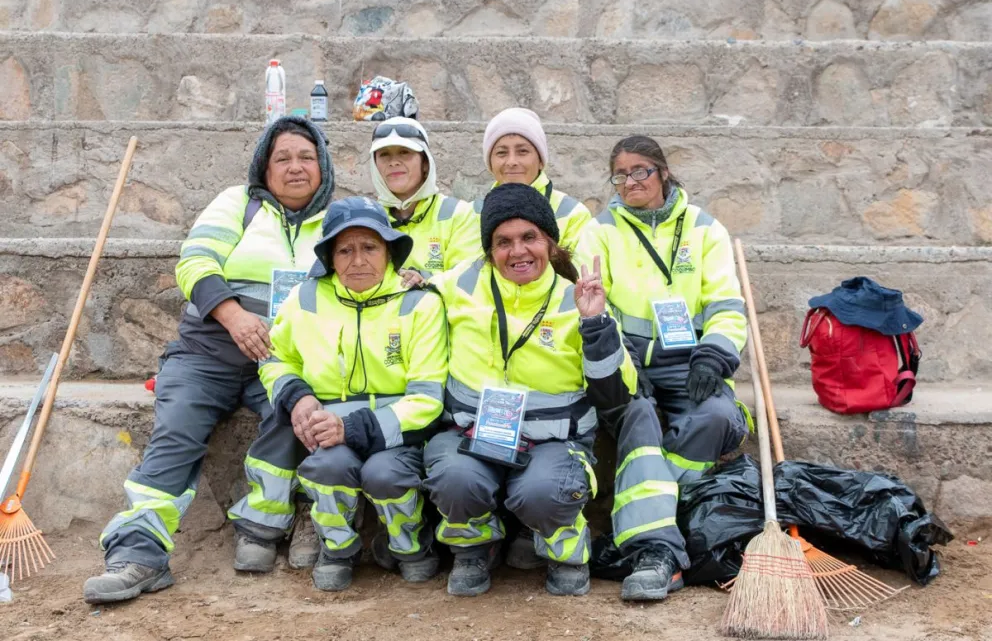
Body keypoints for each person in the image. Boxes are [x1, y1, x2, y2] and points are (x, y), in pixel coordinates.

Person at [83, 116, 334, 604]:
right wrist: (235, 316)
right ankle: (138, 553)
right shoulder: (236, 203)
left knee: (294, 414)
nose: (295, 167)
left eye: (306, 157)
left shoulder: (337, 217)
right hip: (210, 347)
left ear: (323, 165)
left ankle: (261, 529)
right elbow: (194, 263)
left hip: (286, 355)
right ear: (264, 167)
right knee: (178, 425)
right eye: (282, 158)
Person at [425, 183, 670, 598]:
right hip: (472, 434)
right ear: (488, 251)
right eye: (503, 242)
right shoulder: (458, 286)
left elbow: (618, 392)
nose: (517, 251)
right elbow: (409, 296)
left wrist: (595, 327)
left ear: (550, 244)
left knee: (543, 491)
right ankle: (474, 550)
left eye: (529, 238)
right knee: (454, 476)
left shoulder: (575, 298)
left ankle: (566, 553)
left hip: (554, 441)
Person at [244, 196, 448, 591]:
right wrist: (298, 397)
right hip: (327, 428)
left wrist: (349, 428)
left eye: (370, 247)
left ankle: (410, 546)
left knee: (384, 473)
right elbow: (273, 359)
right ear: (329, 258)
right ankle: (338, 549)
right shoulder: (304, 299)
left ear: (389, 252)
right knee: (325, 468)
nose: (358, 260)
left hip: (397, 432)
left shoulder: (419, 304)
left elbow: (427, 398)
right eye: (345, 250)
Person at [577, 135, 750, 488]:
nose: (630, 182)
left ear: (664, 173)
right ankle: (670, 496)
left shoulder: (705, 229)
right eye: (620, 175)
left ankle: (664, 490)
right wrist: (624, 360)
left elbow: (726, 307)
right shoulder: (599, 232)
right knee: (639, 418)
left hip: (690, 360)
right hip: (633, 363)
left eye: (640, 171)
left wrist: (712, 358)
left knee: (718, 415)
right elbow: (597, 308)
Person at [369, 117, 481, 280]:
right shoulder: (366, 220)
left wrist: (425, 280)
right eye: (384, 155)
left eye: (404, 152)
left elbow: (467, 279)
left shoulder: (461, 215)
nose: (393, 162)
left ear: (425, 163)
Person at [478, 107, 592, 253]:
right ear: (490, 163)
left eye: (522, 151)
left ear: (540, 160)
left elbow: (577, 272)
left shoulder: (573, 214)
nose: (511, 161)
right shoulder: (472, 213)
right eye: (501, 153)